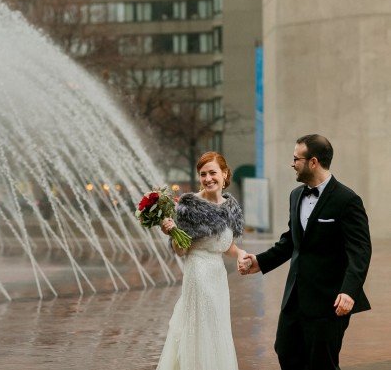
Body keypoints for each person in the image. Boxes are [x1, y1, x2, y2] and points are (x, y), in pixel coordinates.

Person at [239, 134, 372, 370]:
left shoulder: (347, 199)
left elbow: (360, 251)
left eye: (295, 159)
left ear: (313, 162)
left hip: (329, 301)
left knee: (322, 363)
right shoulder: (295, 195)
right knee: (286, 352)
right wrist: (260, 261)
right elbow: (292, 240)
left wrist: (349, 292)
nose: (292, 164)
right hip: (295, 298)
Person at [157, 151, 250, 370]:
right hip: (197, 273)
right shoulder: (189, 207)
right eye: (203, 174)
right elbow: (180, 251)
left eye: (212, 173)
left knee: (217, 327)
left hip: (218, 275)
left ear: (225, 174)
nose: (208, 178)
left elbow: (224, 244)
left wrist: (239, 254)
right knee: (200, 327)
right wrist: (173, 233)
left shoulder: (231, 207)